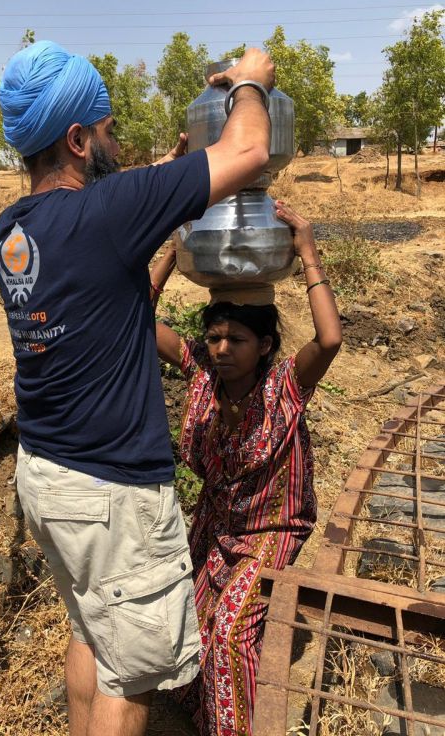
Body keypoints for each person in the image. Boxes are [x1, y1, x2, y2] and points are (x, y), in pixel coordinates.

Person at [0, 39, 275, 736]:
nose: (117, 144)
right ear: (79, 138)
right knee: (135, 674)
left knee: (93, 631)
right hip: (110, 495)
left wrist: (168, 176)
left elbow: (110, 242)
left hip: (48, 479)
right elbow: (249, 154)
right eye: (109, 130)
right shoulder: (111, 212)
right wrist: (251, 83)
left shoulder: (14, 232)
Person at [152, 203, 342, 736]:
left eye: (235, 340)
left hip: (270, 531)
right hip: (216, 526)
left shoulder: (284, 387)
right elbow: (136, 318)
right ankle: (203, 710)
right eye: (214, 338)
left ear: (263, 346)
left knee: (233, 631)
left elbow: (329, 339)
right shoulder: (202, 376)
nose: (221, 349)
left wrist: (306, 251)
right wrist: (174, 251)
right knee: (186, 619)